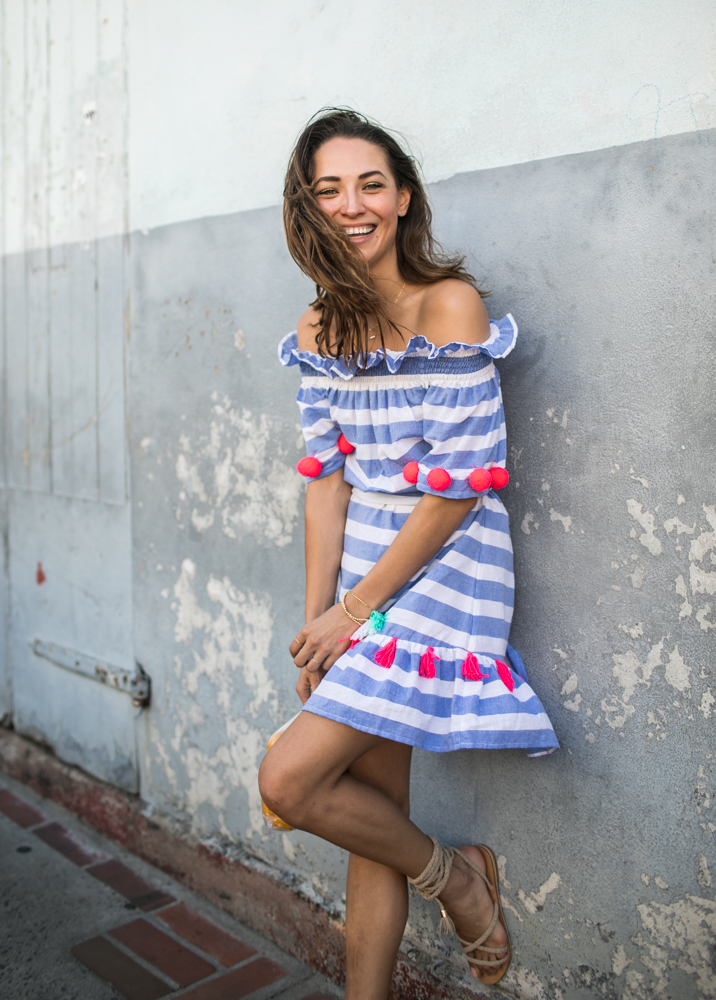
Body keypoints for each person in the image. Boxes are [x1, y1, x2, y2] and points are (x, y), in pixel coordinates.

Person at [259, 108, 558, 999]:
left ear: (403, 197)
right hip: (361, 570)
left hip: (445, 564)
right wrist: (322, 612)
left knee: (290, 780)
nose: (353, 204)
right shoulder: (316, 330)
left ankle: (461, 885)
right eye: (329, 188)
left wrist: (357, 612)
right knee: (374, 813)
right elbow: (327, 482)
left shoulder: (450, 305)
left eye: (371, 183)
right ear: (306, 207)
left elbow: (459, 489)